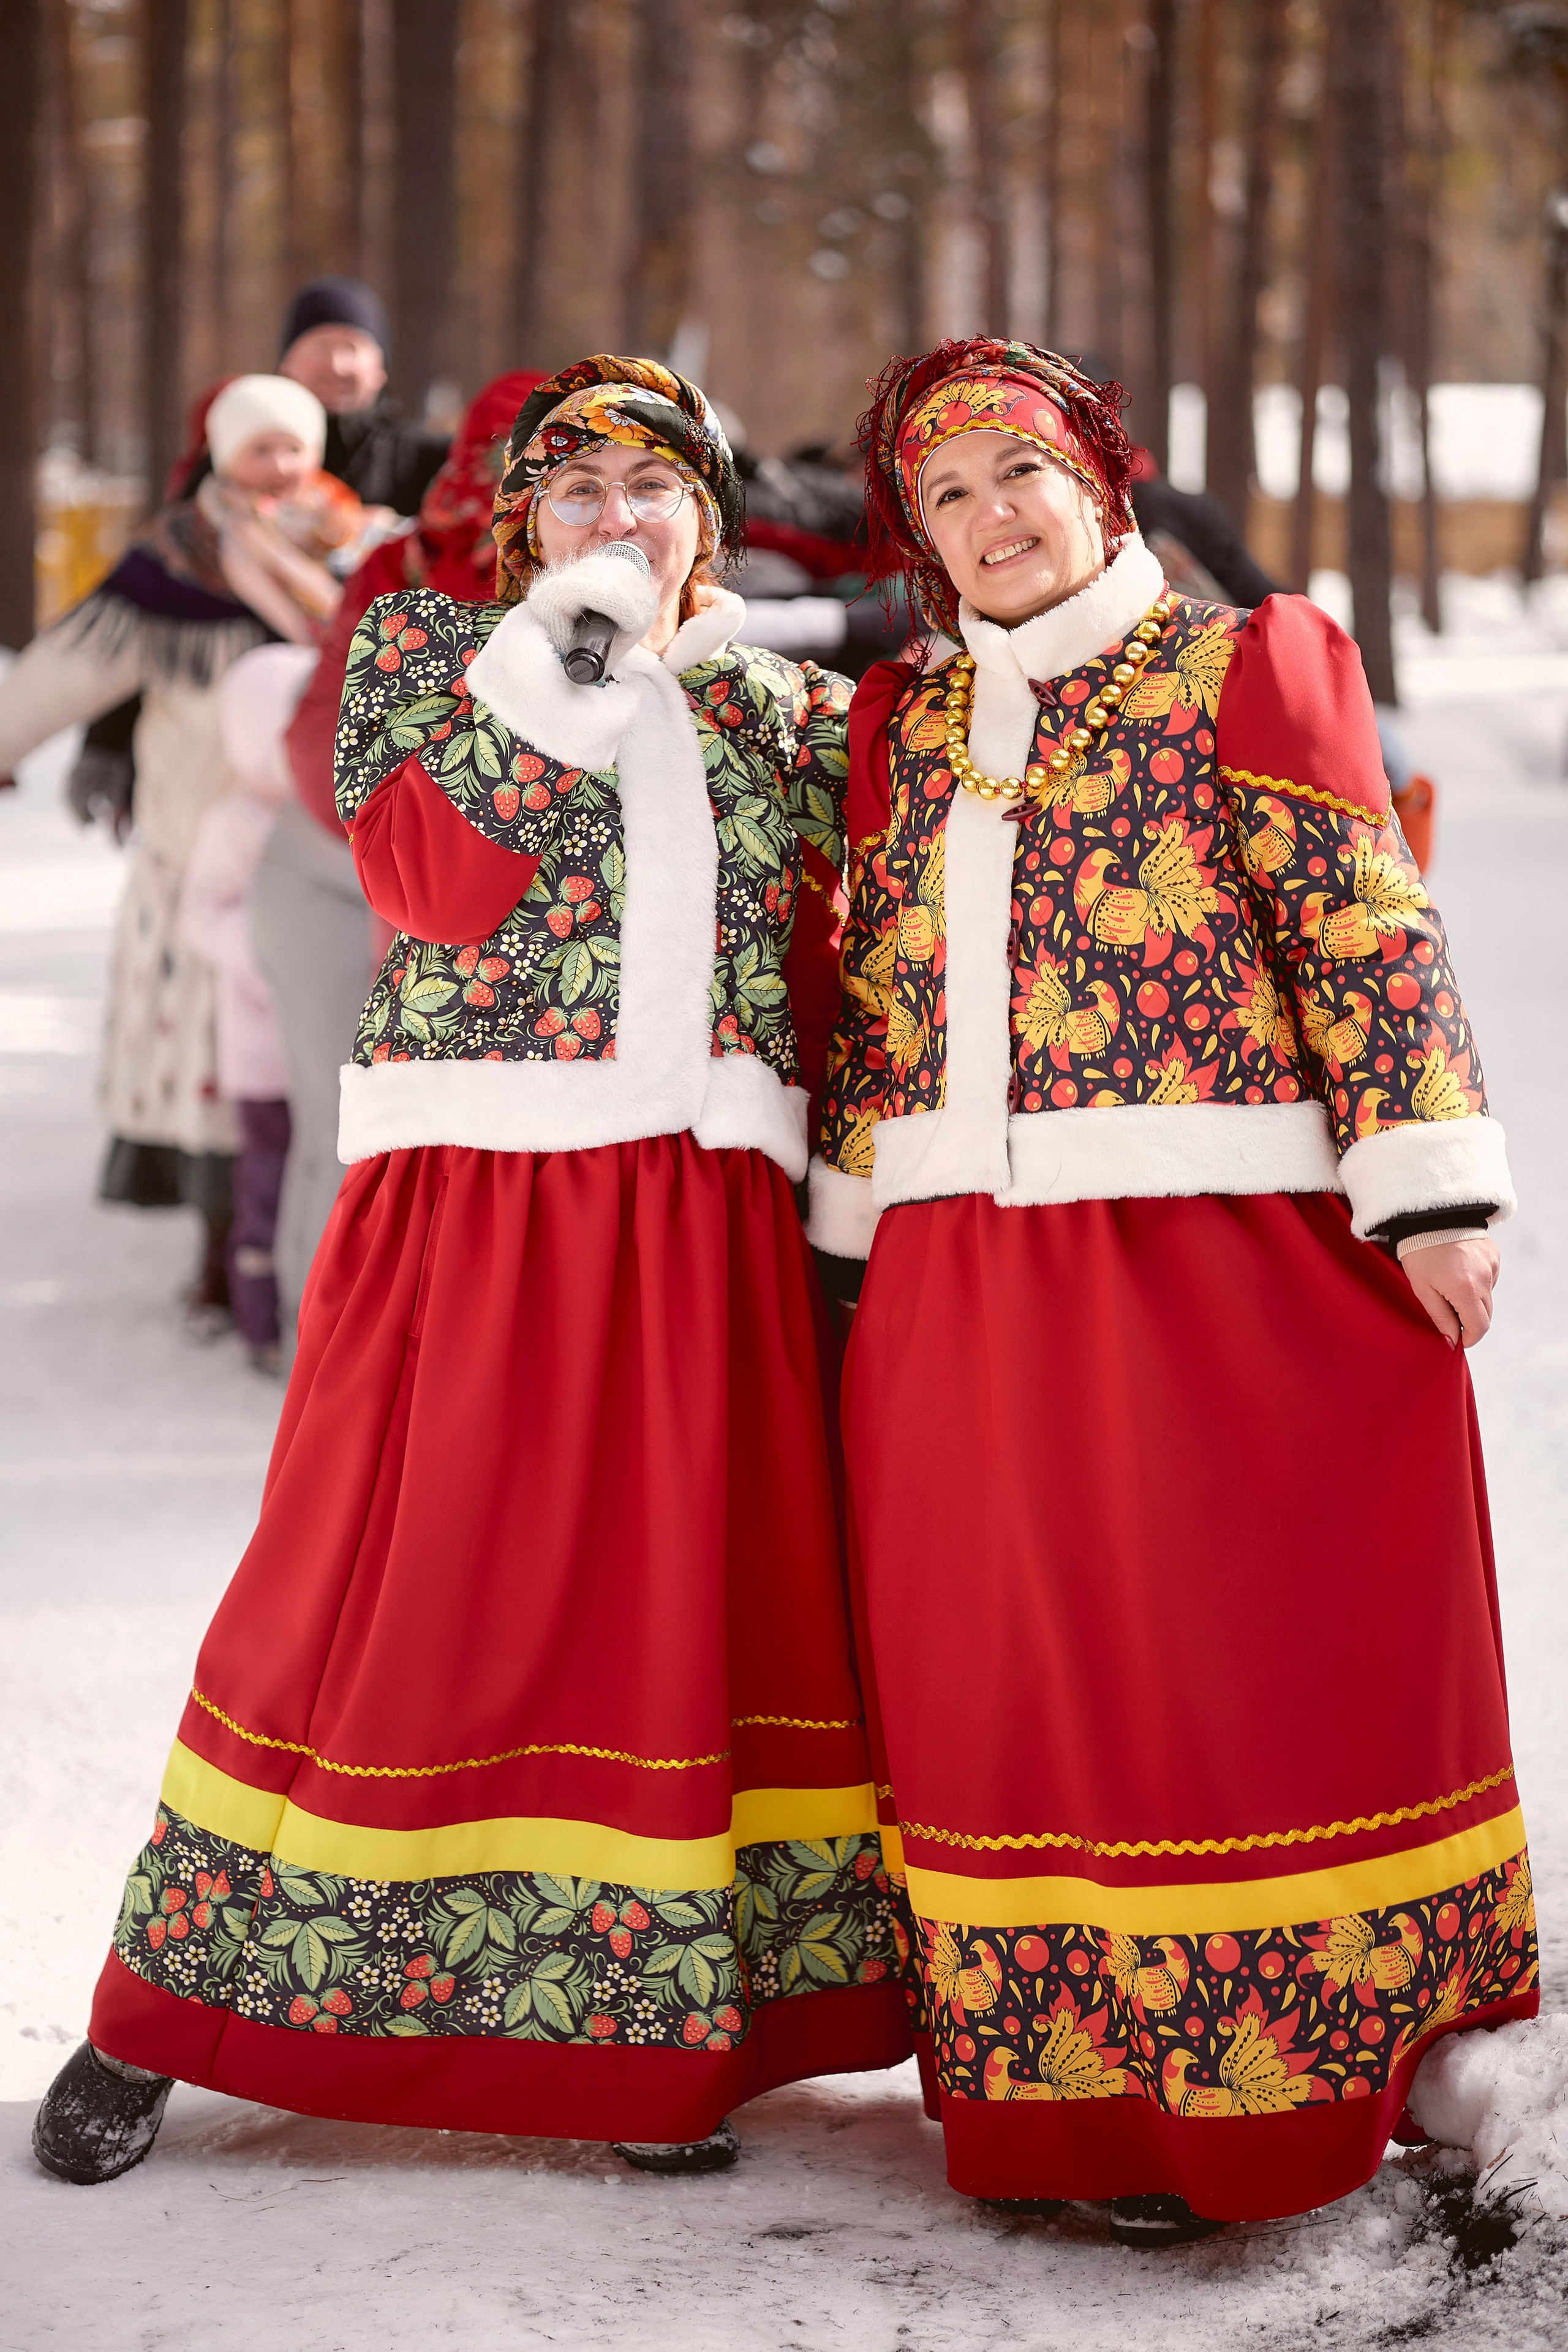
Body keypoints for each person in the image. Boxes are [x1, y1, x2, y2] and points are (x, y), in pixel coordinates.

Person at [32, 353, 908, 2190]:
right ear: (521, 526)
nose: (613, 523)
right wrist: (575, 645)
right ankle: (171, 2008)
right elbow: (428, 879)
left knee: (671, 1610)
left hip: (703, 1214)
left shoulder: (776, 704)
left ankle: (643, 2028)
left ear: (712, 521)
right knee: (365, 1589)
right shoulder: (427, 659)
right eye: (572, 494)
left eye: (651, 490)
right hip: (481, 1209)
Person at [807, 337, 1535, 2244]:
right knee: (1014, 1684)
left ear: (1103, 482)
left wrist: (1431, 1185)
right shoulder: (904, 718)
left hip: (1217, 1260)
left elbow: (1363, 921)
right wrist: (844, 1252)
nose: (990, 520)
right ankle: (1064, 2102)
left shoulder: (1246, 662)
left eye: (1018, 474)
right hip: (962, 1277)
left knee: (1212, 1661)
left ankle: (1276, 2082)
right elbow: (881, 1006)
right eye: (944, 499)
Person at [0, 375, 356, 1320]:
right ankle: (221, 1244)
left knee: (302, 1065)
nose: (279, 466)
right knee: (212, 1062)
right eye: (258, 447)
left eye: (294, 446)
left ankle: (292, 1256)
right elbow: (67, 668)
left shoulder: (360, 552)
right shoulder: (173, 567)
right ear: (220, 453)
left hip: (325, 865)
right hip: (199, 854)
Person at [252, 369, 545, 1338]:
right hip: (342, 878)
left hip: (441, 899)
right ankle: (320, 1347)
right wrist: (412, 861)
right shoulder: (410, 569)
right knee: (350, 1126)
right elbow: (323, 738)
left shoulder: (605, 584)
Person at [178, 644, 320, 1369]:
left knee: (323, 1176)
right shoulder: (235, 820)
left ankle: (315, 1311)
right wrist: (264, 952)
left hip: (323, 1044)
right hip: (261, 1051)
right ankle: (261, 1321)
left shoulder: (327, 816)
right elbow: (201, 915)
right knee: (265, 1180)